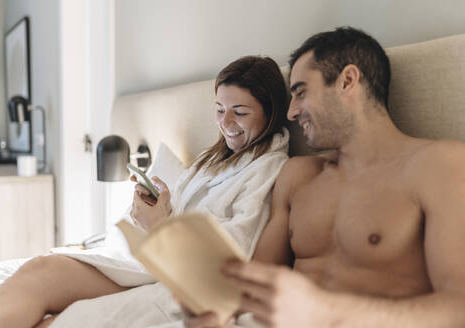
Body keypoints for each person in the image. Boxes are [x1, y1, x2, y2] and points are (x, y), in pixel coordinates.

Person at [0, 55, 290, 328]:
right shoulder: (214, 159)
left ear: (270, 110)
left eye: (240, 112)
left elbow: (235, 253)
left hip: (179, 277)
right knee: (39, 273)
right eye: (219, 109)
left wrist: (159, 225)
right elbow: (186, 213)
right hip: (153, 261)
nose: (226, 121)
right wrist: (158, 203)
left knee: (48, 302)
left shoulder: (269, 169)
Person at [185, 26, 465, 327]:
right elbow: (254, 287)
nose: (291, 113)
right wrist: (217, 313)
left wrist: (328, 313)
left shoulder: (439, 164)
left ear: (347, 81)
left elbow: (459, 306)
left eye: (301, 92)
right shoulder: (298, 176)